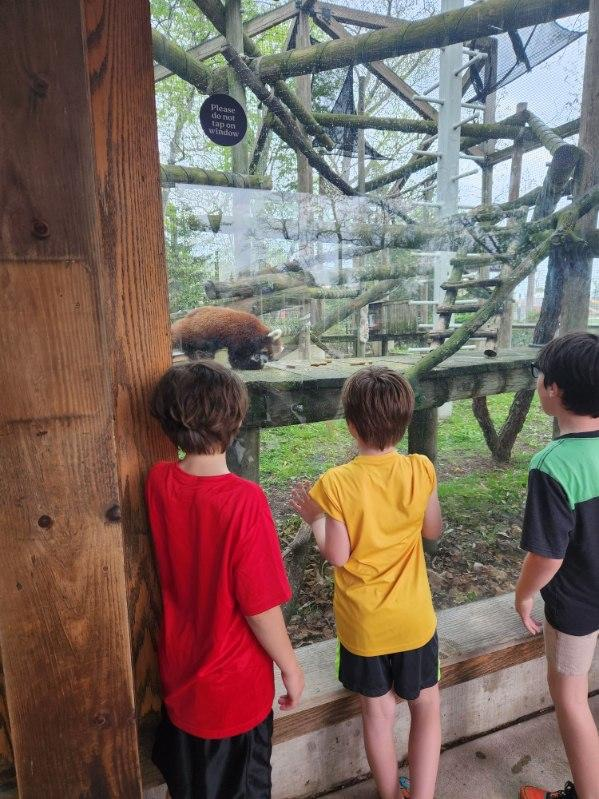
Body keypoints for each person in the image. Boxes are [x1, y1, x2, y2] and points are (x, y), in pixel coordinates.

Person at [146, 360, 304, 799]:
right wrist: (290, 666)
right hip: (234, 696)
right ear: (235, 420)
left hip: (182, 683)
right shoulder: (244, 501)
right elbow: (259, 606)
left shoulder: (158, 481)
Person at [290, 366, 443, 799]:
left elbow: (337, 555)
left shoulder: (336, 483)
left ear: (351, 424)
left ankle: (391, 793)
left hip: (365, 627)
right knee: (426, 705)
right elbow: (432, 529)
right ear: (405, 420)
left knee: (378, 713)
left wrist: (316, 519)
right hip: (415, 620)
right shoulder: (421, 468)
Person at [515, 333, 599, 799]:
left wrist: (524, 594)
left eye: (541, 375)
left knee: (570, 700)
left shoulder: (553, 464)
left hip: (577, 607)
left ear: (555, 390)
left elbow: (548, 555)